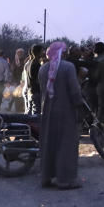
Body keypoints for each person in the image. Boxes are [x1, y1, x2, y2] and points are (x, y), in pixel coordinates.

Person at [37, 41, 83, 189]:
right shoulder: (68, 67)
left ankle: (46, 177)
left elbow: (43, 91)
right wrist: (79, 104)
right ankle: (65, 180)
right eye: (65, 51)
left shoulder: (43, 69)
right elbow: (75, 91)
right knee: (66, 145)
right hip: (66, 111)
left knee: (48, 143)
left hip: (48, 111)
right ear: (61, 52)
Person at [23, 44, 44, 116]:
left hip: (30, 91)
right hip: (36, 92)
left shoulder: (29, 63)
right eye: (42, 51)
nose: (43, 52)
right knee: (36, 114)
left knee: (30, 113)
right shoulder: (36, 64)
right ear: (38, 53)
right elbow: (36, 78)